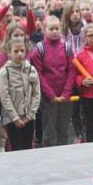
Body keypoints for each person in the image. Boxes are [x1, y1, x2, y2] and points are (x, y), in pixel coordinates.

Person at [30, 16, 76, 147]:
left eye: (57, 28)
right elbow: (38, 74)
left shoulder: (67, 47)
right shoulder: (39, 50)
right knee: (49, 130)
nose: (55, 31)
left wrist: (66, 93)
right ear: (44, 30)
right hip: (48, 98)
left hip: (65, 96)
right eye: (51, 29)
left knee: (63, 128)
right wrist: (51, 95)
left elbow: (72, 71)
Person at [0, 39, 41, 151]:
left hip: (29, 117)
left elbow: (36, 93)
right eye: (16, 51)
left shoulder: (31, 69)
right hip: (12, 119)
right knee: (15, 147)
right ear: (9, 53)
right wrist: (15, 118)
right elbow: (5, 97)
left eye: (22, 51)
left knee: (28, 147)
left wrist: (30, 115)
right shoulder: (4, 72)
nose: (20, 54)